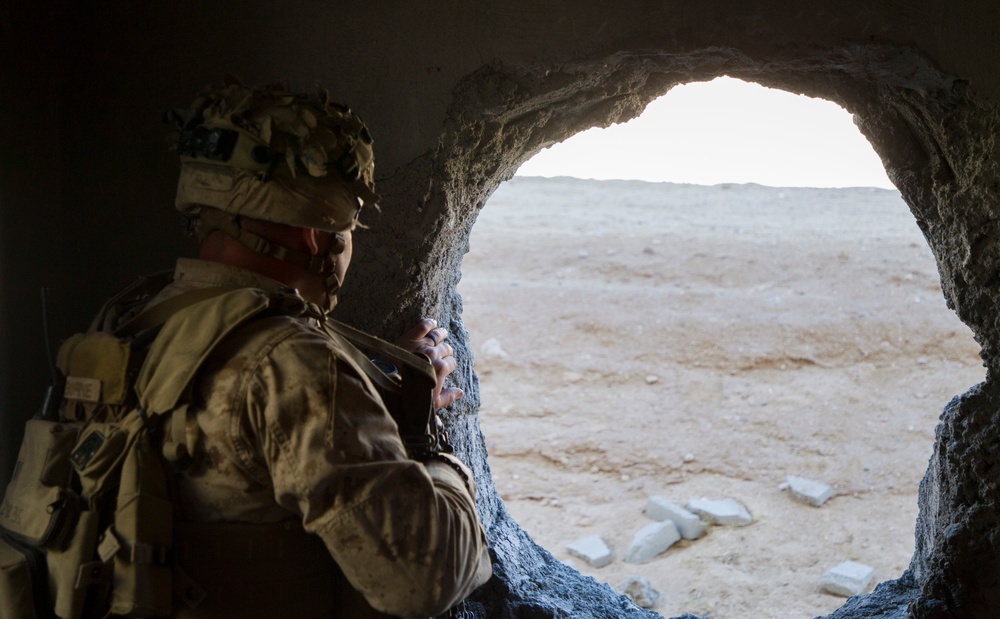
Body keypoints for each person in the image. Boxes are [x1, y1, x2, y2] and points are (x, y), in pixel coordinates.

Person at [98, 80, 490, 618]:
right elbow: (427, 578)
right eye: (351, 226)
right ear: (316, 237)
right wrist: (440, 460)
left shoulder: (130, 318)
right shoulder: (290, 363)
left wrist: (371, 398)